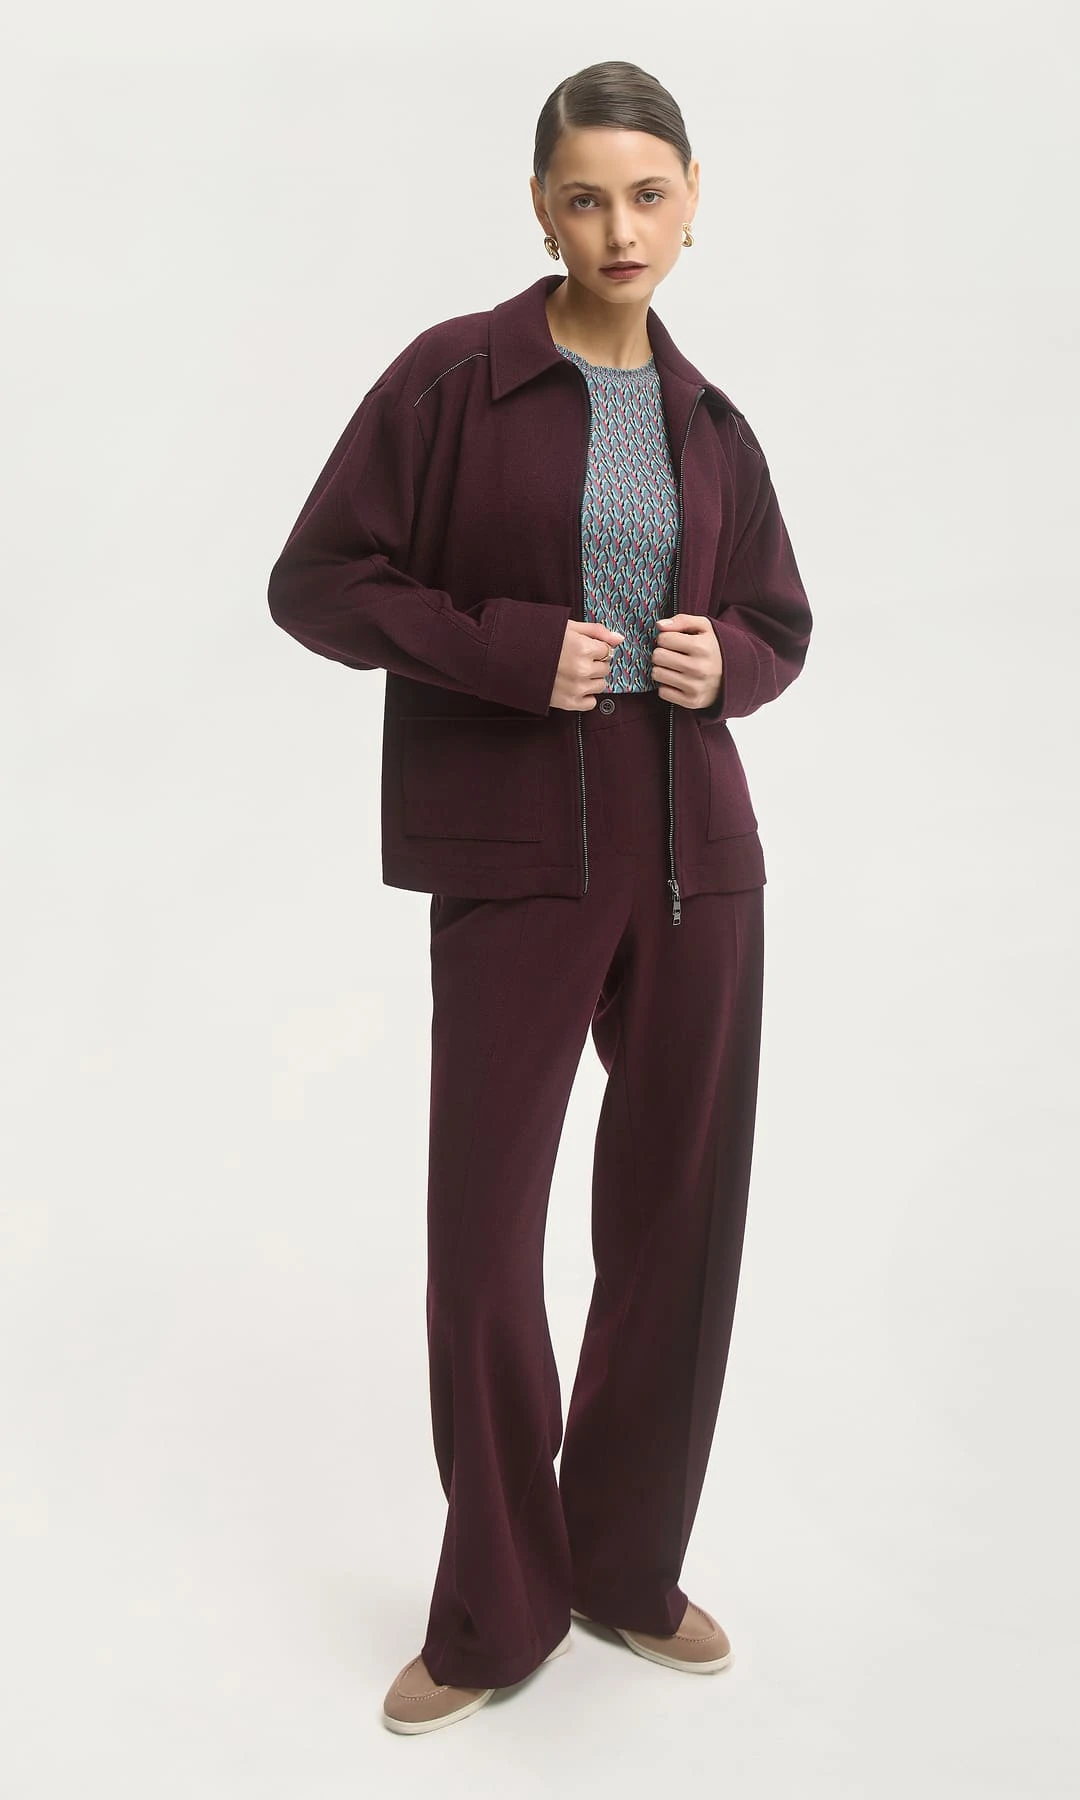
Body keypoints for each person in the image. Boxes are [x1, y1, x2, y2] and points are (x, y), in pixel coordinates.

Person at [267, 58, 814, 1736]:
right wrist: (511, 652)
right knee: (486, 1237)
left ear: (695, 202)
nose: (618, 227)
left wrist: (730, 664)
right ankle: (498, 1600)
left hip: (699, 855)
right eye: (586, 197)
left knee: (679, 1223)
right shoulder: (456, 380)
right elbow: (317, 581)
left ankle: (625, 1565)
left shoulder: (714, 421)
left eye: (648, 194)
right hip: (516, 851)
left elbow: (782, 623)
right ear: (540, 208)